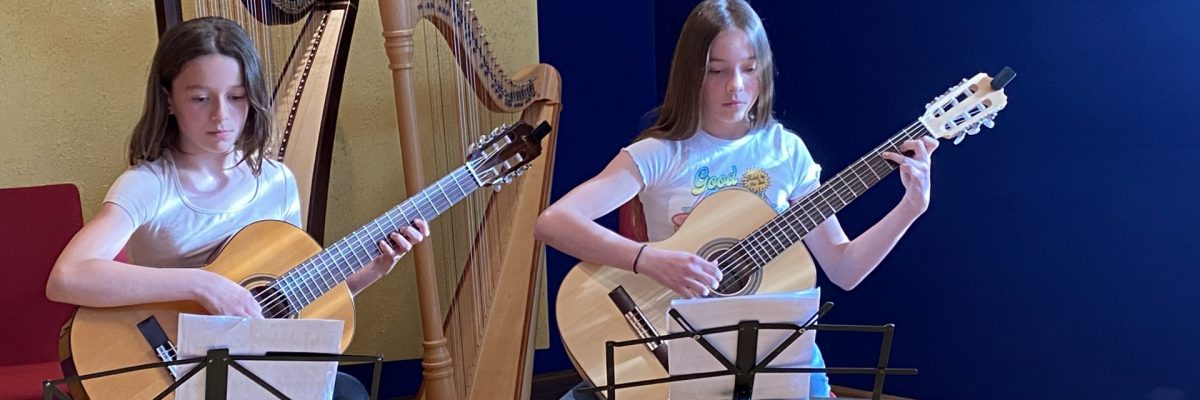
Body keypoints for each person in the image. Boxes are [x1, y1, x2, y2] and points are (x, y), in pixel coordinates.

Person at [534, 1, 939, 398]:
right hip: (678, 345)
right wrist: (648, 259)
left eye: (749, 68)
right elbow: (553, 222)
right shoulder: (660, 153)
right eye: (717, 70)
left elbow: (844, 268)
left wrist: (910, 207)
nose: (736, 86)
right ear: (690, 73)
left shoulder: (786, 152)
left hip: (774, 349)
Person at [44, 17, 428, 400]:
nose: (221, 115)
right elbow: (67, 276)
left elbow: (284, 302)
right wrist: (202, 284)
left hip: (250, 368)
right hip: (174, 371)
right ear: (168, 100)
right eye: (200, 98)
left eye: (237, 96)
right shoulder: (149, 184)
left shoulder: (276, 182)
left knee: (347, 392)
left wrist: (370, 272)